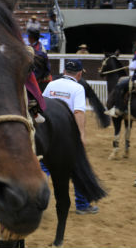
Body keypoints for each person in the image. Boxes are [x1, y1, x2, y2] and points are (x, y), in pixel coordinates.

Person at [42, 59, 99, 214]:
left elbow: (42, 105)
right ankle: (82, 205)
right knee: (77, 167)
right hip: (66, 134)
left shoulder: (52, 84)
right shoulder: (78, 88)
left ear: (64, 72)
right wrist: (81, 134)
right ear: (79, 74)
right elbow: (79, 112)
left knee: (43, 166)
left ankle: (37, 200)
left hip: (48, 131)